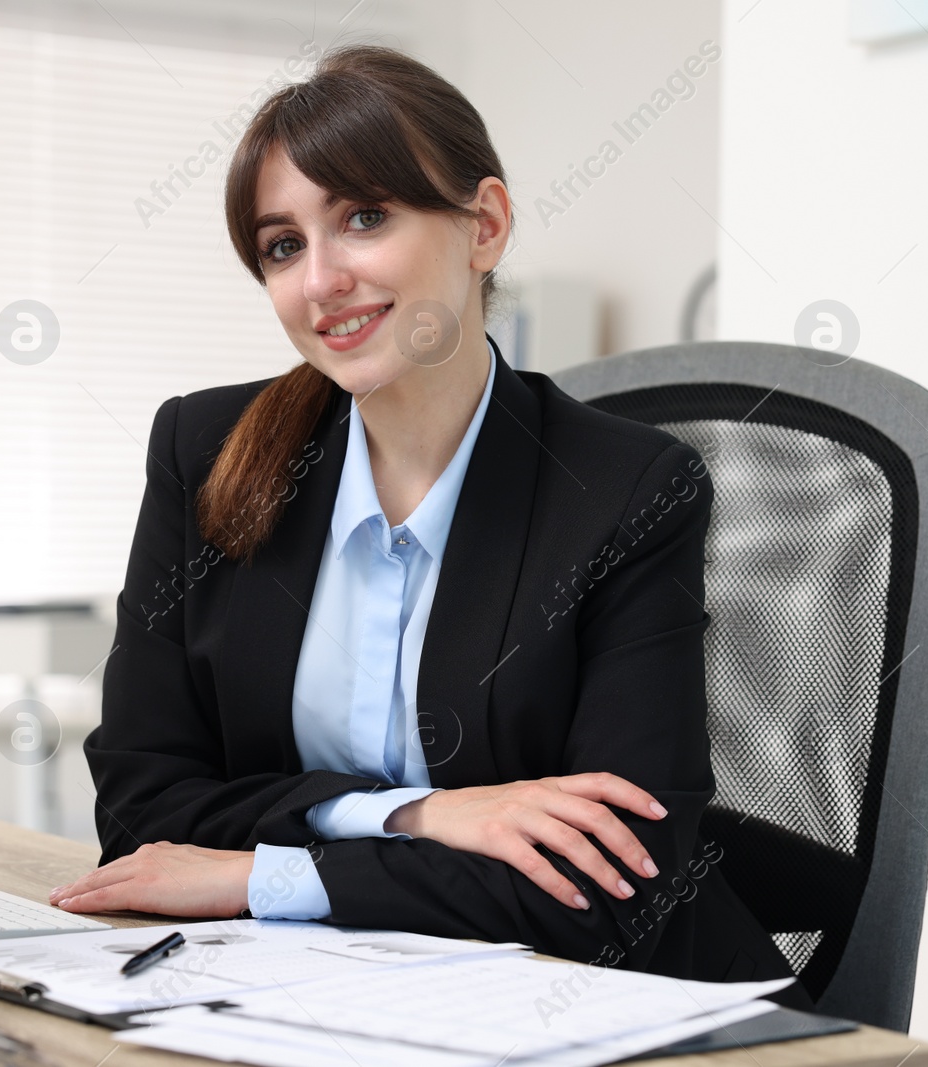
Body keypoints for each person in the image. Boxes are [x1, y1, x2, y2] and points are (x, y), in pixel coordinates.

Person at [51, 42, 807, 1004]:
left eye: (364, 217)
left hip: (608, 1011)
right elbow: (144, 813)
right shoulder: (205, 450)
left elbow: (615, 881)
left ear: (483, 225)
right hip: (317, 1000)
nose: (321, 279)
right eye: (283, 245)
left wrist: (263, 873)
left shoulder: (626, 489)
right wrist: (422, 816)